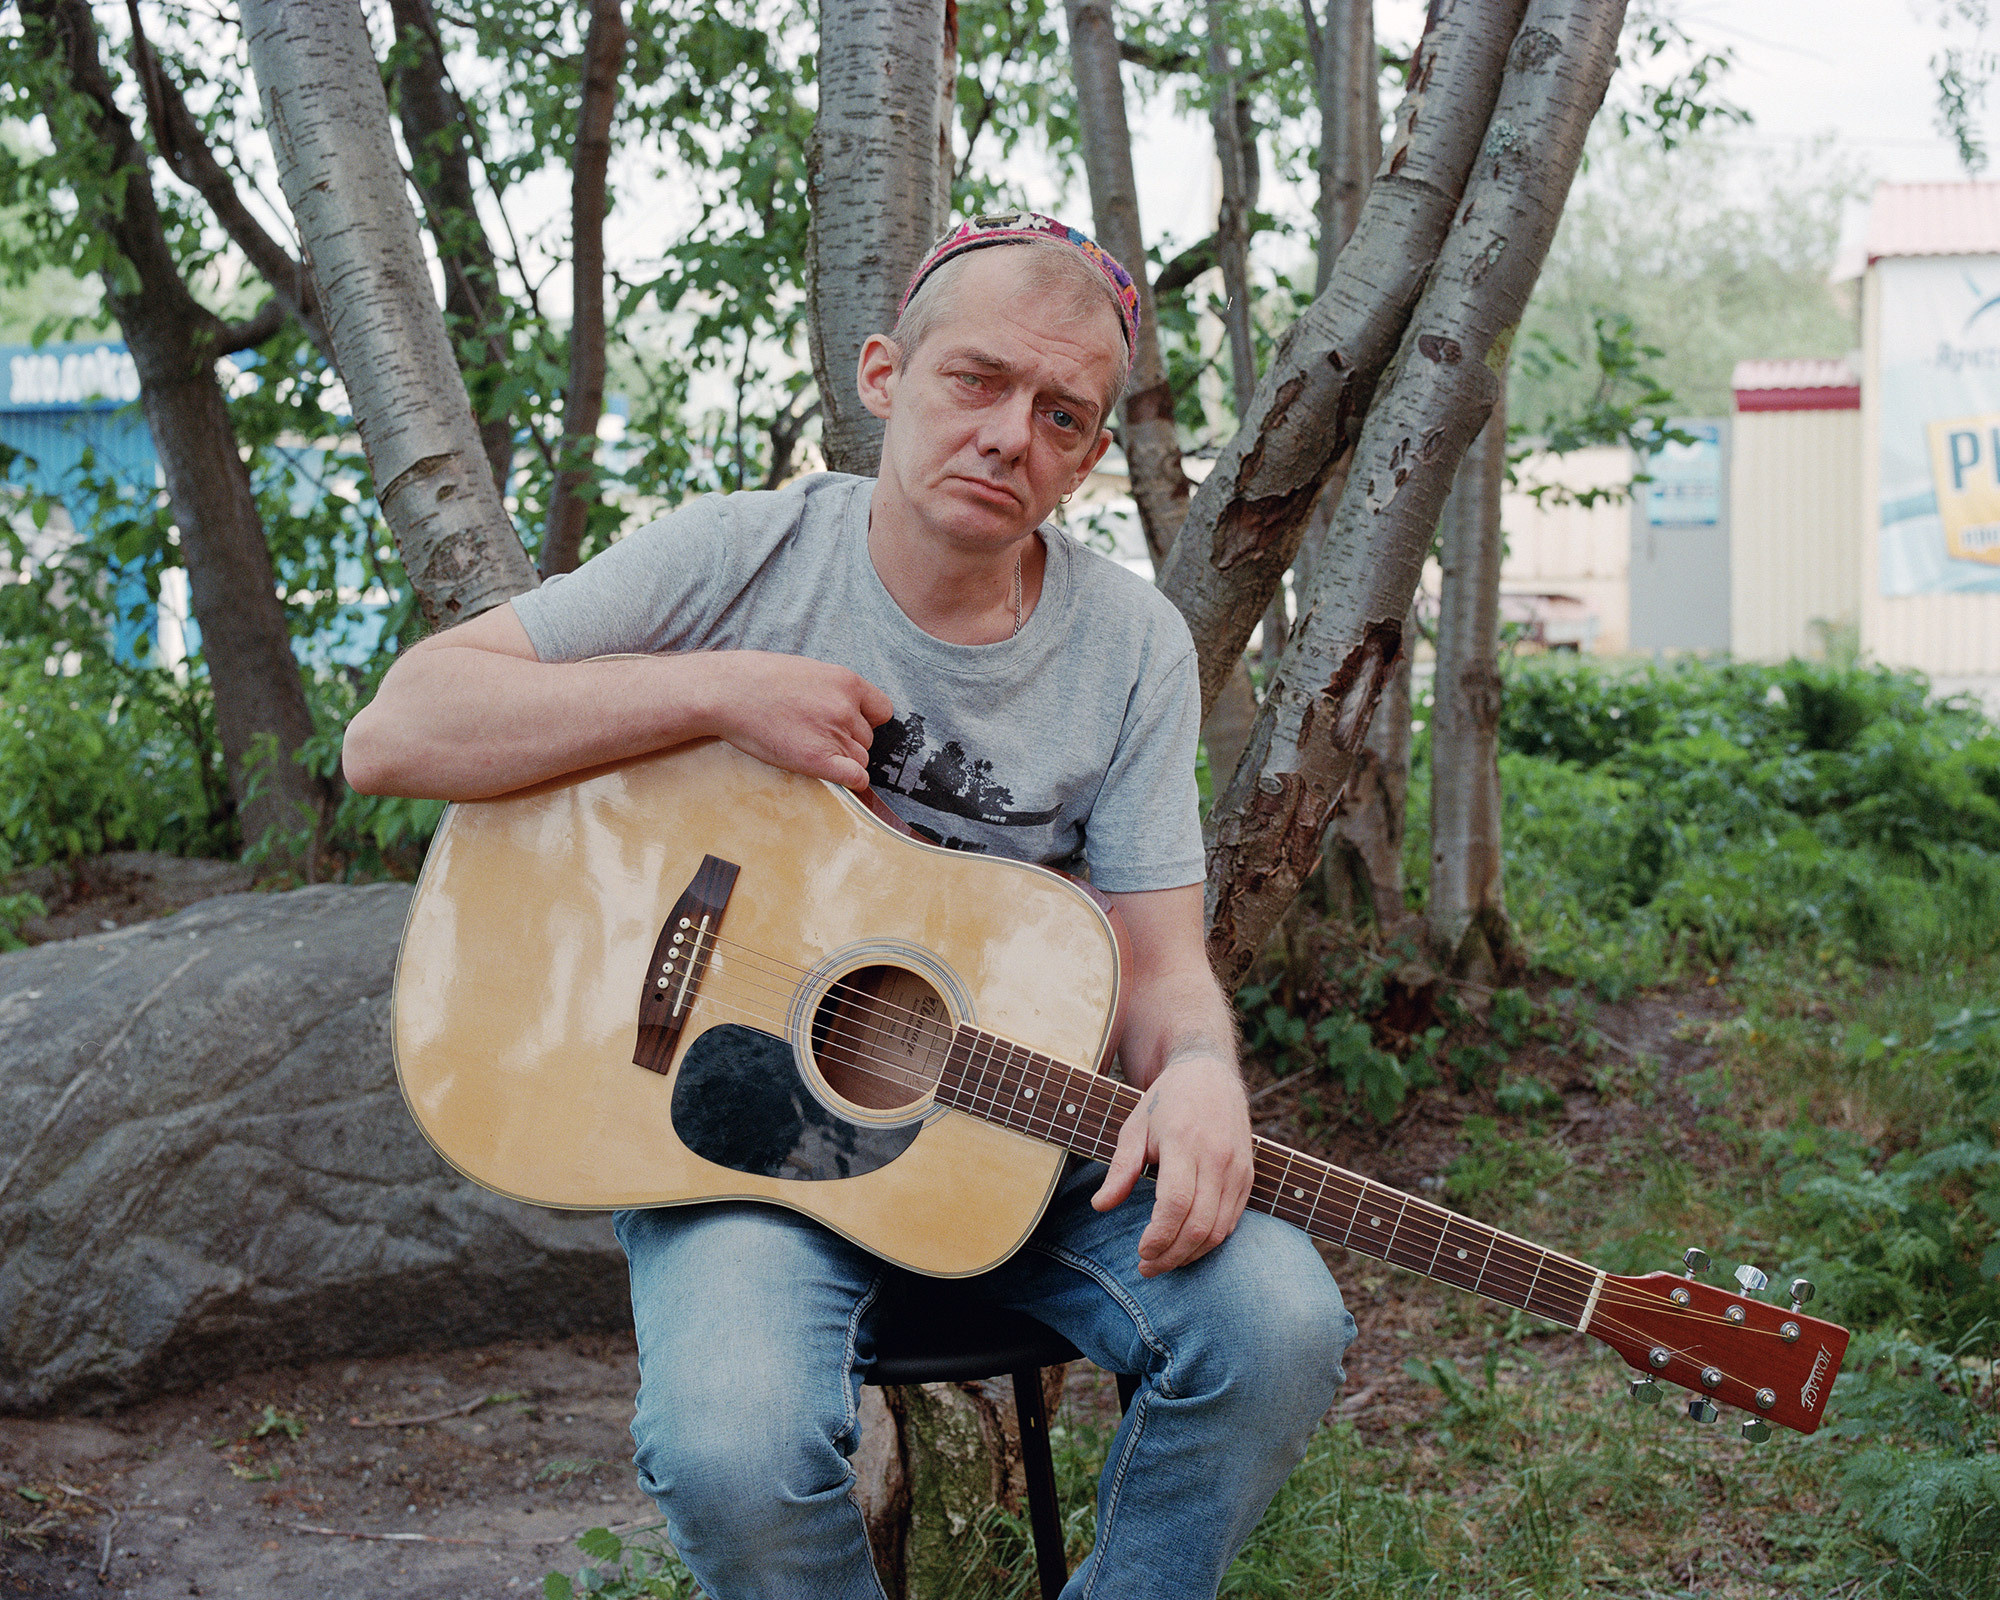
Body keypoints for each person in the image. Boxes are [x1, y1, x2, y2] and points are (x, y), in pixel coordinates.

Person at [343, 212, 1355, 1599]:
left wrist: (1197, 1073)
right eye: (977, 381)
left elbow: (1166, 968)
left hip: (1023, 1165)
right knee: (733, 1449)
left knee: (1281, 1321)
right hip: (736, 1155)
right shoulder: (739, 557)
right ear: (886, 373)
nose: (1010, 435)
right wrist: (717, 689)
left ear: (1090, 454)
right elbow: (395, 734)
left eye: (1062, 414)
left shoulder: (1132, 648)